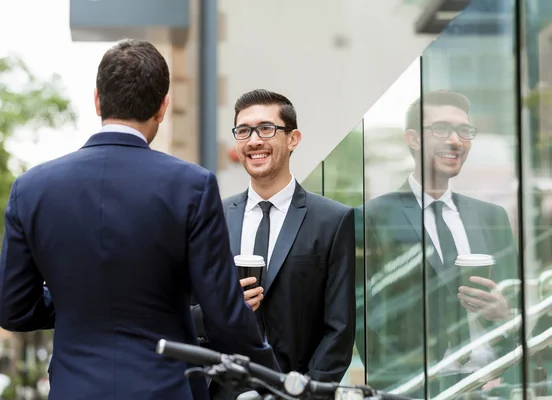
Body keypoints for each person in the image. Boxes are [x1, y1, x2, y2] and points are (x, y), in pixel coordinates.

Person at [0, 39, 278, 400]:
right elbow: (224, 316)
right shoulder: (192, 186)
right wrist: (275, 379)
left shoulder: (31, 189)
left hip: (73, 389)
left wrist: (73, 298)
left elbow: (11, 309)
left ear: (97, 100)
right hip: (166, 388)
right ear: (162, 107)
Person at [356, 90, 519, 397]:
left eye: (464, 131)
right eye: (442, 129)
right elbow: (365, 320)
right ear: (413, 139)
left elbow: (517, 303)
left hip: (496, 385)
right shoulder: (373, 218)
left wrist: (504, 319)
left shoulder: (491, 216)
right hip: (418, 389)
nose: (456, 140)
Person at [194, 89, 356, 397]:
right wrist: (223, 308)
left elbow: (340, 330)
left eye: (266, 129)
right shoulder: (210, 216)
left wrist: (302, 393)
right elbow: (188, 315)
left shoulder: (333, 220)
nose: (253, 140)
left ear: (293, 138)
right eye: (243, 131)